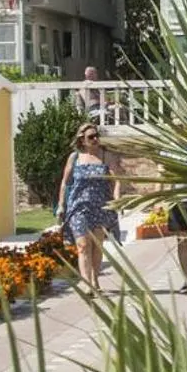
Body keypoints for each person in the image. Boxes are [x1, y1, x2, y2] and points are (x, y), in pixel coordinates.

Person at [54, 122, 119, 290]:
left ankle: (95, 279)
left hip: (100, 206)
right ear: (82, 140)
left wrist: (116, 200)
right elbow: (65, 182)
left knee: (97, 246)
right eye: (91, 137)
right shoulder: (74, 158)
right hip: (78, 207)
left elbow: (117, 179)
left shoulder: (106, 156)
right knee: (83, 245)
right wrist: (61, 205)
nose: (95, 139)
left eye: (97, 136)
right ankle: (87, 283)